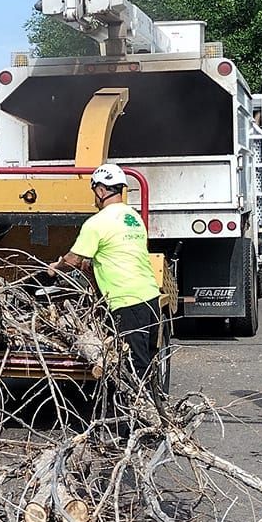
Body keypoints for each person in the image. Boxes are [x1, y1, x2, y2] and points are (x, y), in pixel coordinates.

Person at [47, 162, 164, 389]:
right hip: (150, 297)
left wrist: (55, 267)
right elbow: (117, 251)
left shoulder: (97, 223)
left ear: (101, 190)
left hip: (126, 300)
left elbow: (72, 260)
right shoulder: (133, 218)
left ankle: (138, 419)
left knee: (132, 369)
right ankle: (154, 410)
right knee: (147, 363)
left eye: (94, 191)